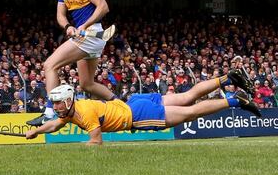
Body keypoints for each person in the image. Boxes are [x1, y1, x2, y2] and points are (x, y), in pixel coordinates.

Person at [25, 69, 260, 144]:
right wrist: (37, 130)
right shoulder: (72, 110)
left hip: (137, 113)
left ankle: (235, 100)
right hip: (134, 101)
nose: (54, 107)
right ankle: (228, 79)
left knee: (189, 112)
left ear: (67, 100)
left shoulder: (84, 113)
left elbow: (95, 141)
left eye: (57, 103)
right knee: (188, 97)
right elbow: (56, 124)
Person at [28, 0, 116, 126]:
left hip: (91, 33)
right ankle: (121, 105)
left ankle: (48, 113)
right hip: (84, 36)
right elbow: (60, 15)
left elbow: (103, 7)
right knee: (87, 84)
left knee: (50, 65)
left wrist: (85, 24)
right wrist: (68, 26)